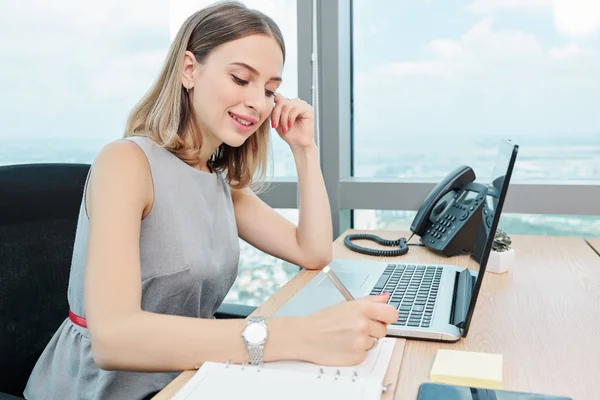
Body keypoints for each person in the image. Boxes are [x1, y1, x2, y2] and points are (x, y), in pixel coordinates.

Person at [24, 1, 399, 399]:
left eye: (270, 89)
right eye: (241, 79)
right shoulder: (126, 162)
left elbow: (313, 251)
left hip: (190, 377)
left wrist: (305, 150)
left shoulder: (222, 183)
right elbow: (112, 338)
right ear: (189, 70)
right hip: (105, 390)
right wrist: (300, 336)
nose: (258, 102)